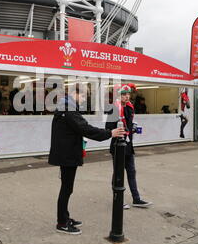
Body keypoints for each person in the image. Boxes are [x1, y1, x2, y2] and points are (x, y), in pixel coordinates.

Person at [48, 87, 125, 235]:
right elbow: (85, 128)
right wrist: (110, 133)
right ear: (73, 94)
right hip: (67, 155)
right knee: (66, 189)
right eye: (82, 96)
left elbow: (79, 129)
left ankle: (65, 217)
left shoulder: (66, 107)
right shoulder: (68, 109)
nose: (83, 99)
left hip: (67, 153)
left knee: (67, 188)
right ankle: (62, 223)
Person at [106, 84, 153, 210]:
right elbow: (108, 128)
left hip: (128, 145)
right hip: (117, 146)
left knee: (132, 172)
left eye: (128, 94)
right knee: (118, 174)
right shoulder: (114, 109)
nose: (126, 96)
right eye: (123, 94)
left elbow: (129, 124)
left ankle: (136, 199)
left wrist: (132, 129)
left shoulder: (130, 107)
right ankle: (118, 199)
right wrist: (119, 129)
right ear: (119, 95)